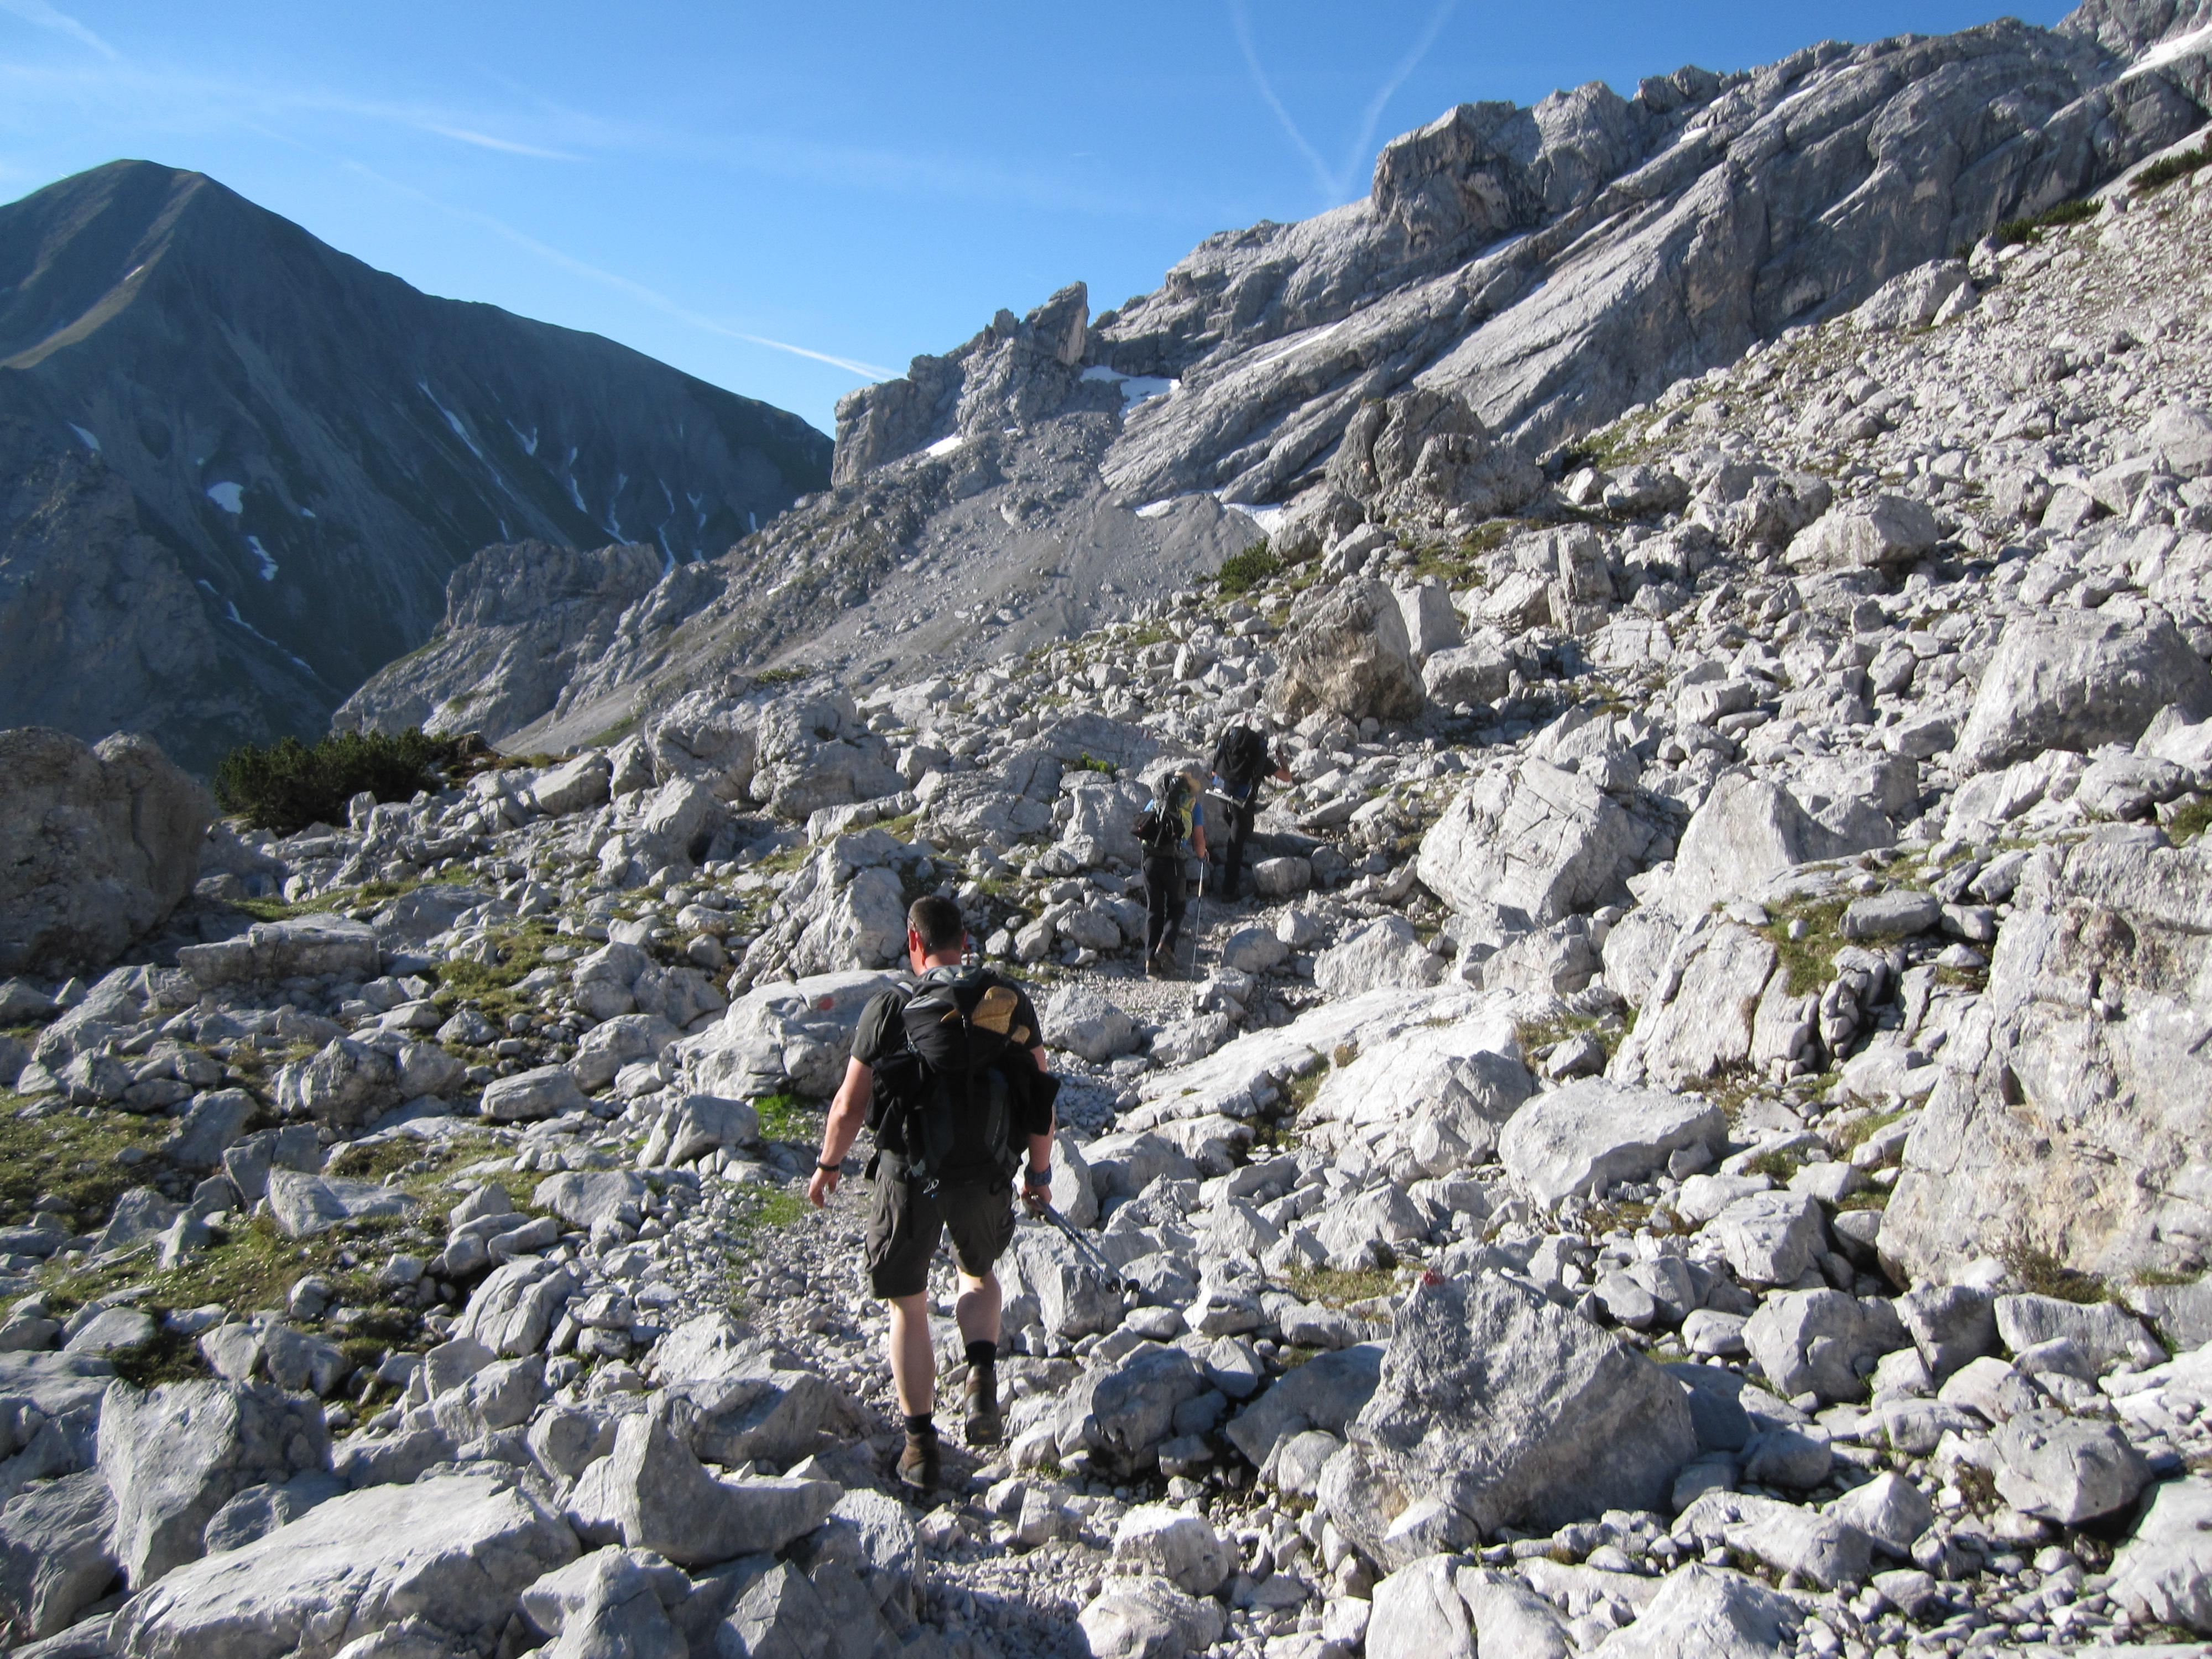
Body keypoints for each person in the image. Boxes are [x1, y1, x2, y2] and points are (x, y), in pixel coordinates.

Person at [807, 895, 1056, 1493]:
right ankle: (980, 1379)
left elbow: (849, 1105)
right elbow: (1041, 1098)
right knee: (977, 1276)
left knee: (910, 1305)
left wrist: (828, 1166)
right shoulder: (1006, 1000)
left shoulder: (891, 1005)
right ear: (964, 941)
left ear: (913, 944)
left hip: (907, 1176)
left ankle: (920, 1448)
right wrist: (1038, 1177)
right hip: (986, 1173)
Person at [1209, 724, 1293, 902]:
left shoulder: (1227, 750)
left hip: (1222, 800)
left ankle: (1225, 864)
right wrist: (1281, 758)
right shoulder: (1259, 758)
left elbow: (1214, 771)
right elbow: (1287, 777)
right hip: (1242, 806)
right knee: (1236, 847)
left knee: (1237, 835)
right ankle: (1228, 891)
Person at [1140, 764, 1207, 978]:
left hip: (1149, 860)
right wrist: (1202, 856)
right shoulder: (1193, 807)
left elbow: (1143, 829)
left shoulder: (1155, 801)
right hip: (1174, 863)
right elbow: (1199, 842)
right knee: (1178, 906)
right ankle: (1166, 946)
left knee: (1154, 910)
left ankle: (1150, 962)